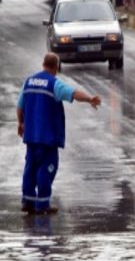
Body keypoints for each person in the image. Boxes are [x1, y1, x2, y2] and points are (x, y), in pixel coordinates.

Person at [16, 53, 102, 214]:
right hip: (47, 138)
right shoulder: (53, 84)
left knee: (30, 167)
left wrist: (20, 123)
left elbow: (20, 105)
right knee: (46, 168)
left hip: (31, 137)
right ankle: (42, 204)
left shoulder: (28, 82)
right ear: (56, 67)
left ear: (43, 64)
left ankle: (27, 201)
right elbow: (73, 93)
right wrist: (90, 98)